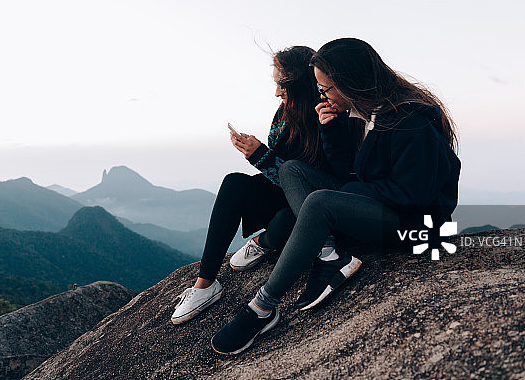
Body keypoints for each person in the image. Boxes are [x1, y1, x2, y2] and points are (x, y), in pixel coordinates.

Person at [211, 38, 461, 355]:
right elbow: (349, 170)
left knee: (320, 202)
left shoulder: (409, 122)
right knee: (291, 170)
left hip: (416, 225)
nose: (322, 95)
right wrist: (330, 130)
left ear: (349, 83)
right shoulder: (363, 113)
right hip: (381, 207)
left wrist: (346, 194)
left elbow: (414, 195)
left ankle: (263, 307)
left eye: (325, 89)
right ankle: (329, 254)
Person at [171, 46, 351, 325]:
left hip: (308, 202)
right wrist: (259, 154)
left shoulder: (326, 115)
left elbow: (308, 182)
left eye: (281, 84)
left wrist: (261, 156)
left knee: (283, 223)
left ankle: (264, 241)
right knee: (234, 183)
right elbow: (282, 169)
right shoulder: (285, 113)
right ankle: (205, 285)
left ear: (298, 84)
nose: (277, 92)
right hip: (282, 192)